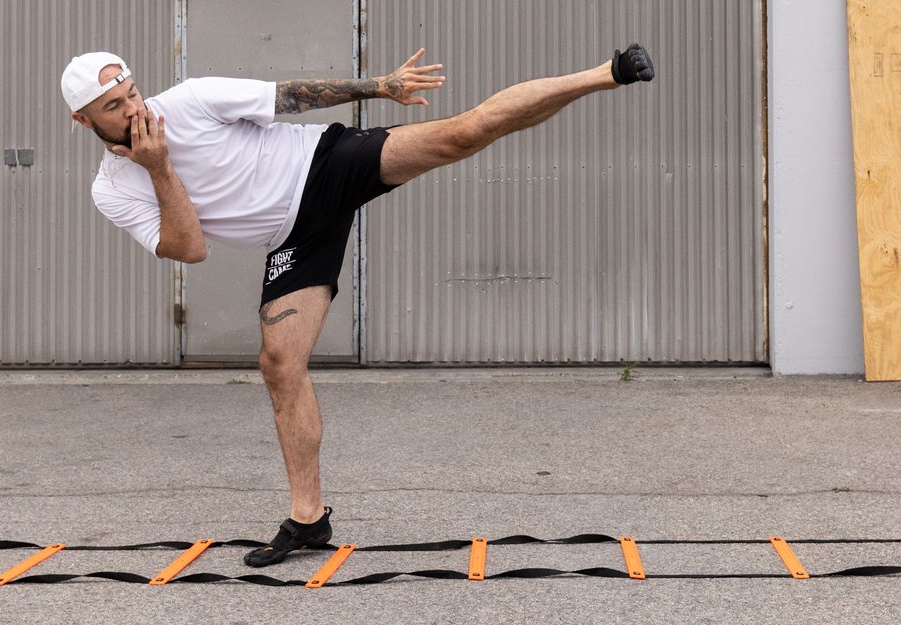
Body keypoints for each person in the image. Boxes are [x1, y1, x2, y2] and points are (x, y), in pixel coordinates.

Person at [61, 43, 654, 567]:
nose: (134, 110)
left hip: (324, 166)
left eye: (132, 93)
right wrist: (159, 167)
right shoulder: (112, 188)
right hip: (292, 238)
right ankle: (309, 518)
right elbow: (190, 250)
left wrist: (381, 86)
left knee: (463, 134)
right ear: (83, 120)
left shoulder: (190, 100)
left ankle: (606, 72)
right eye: (114, 107)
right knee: (278, 364)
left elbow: (291, 96)